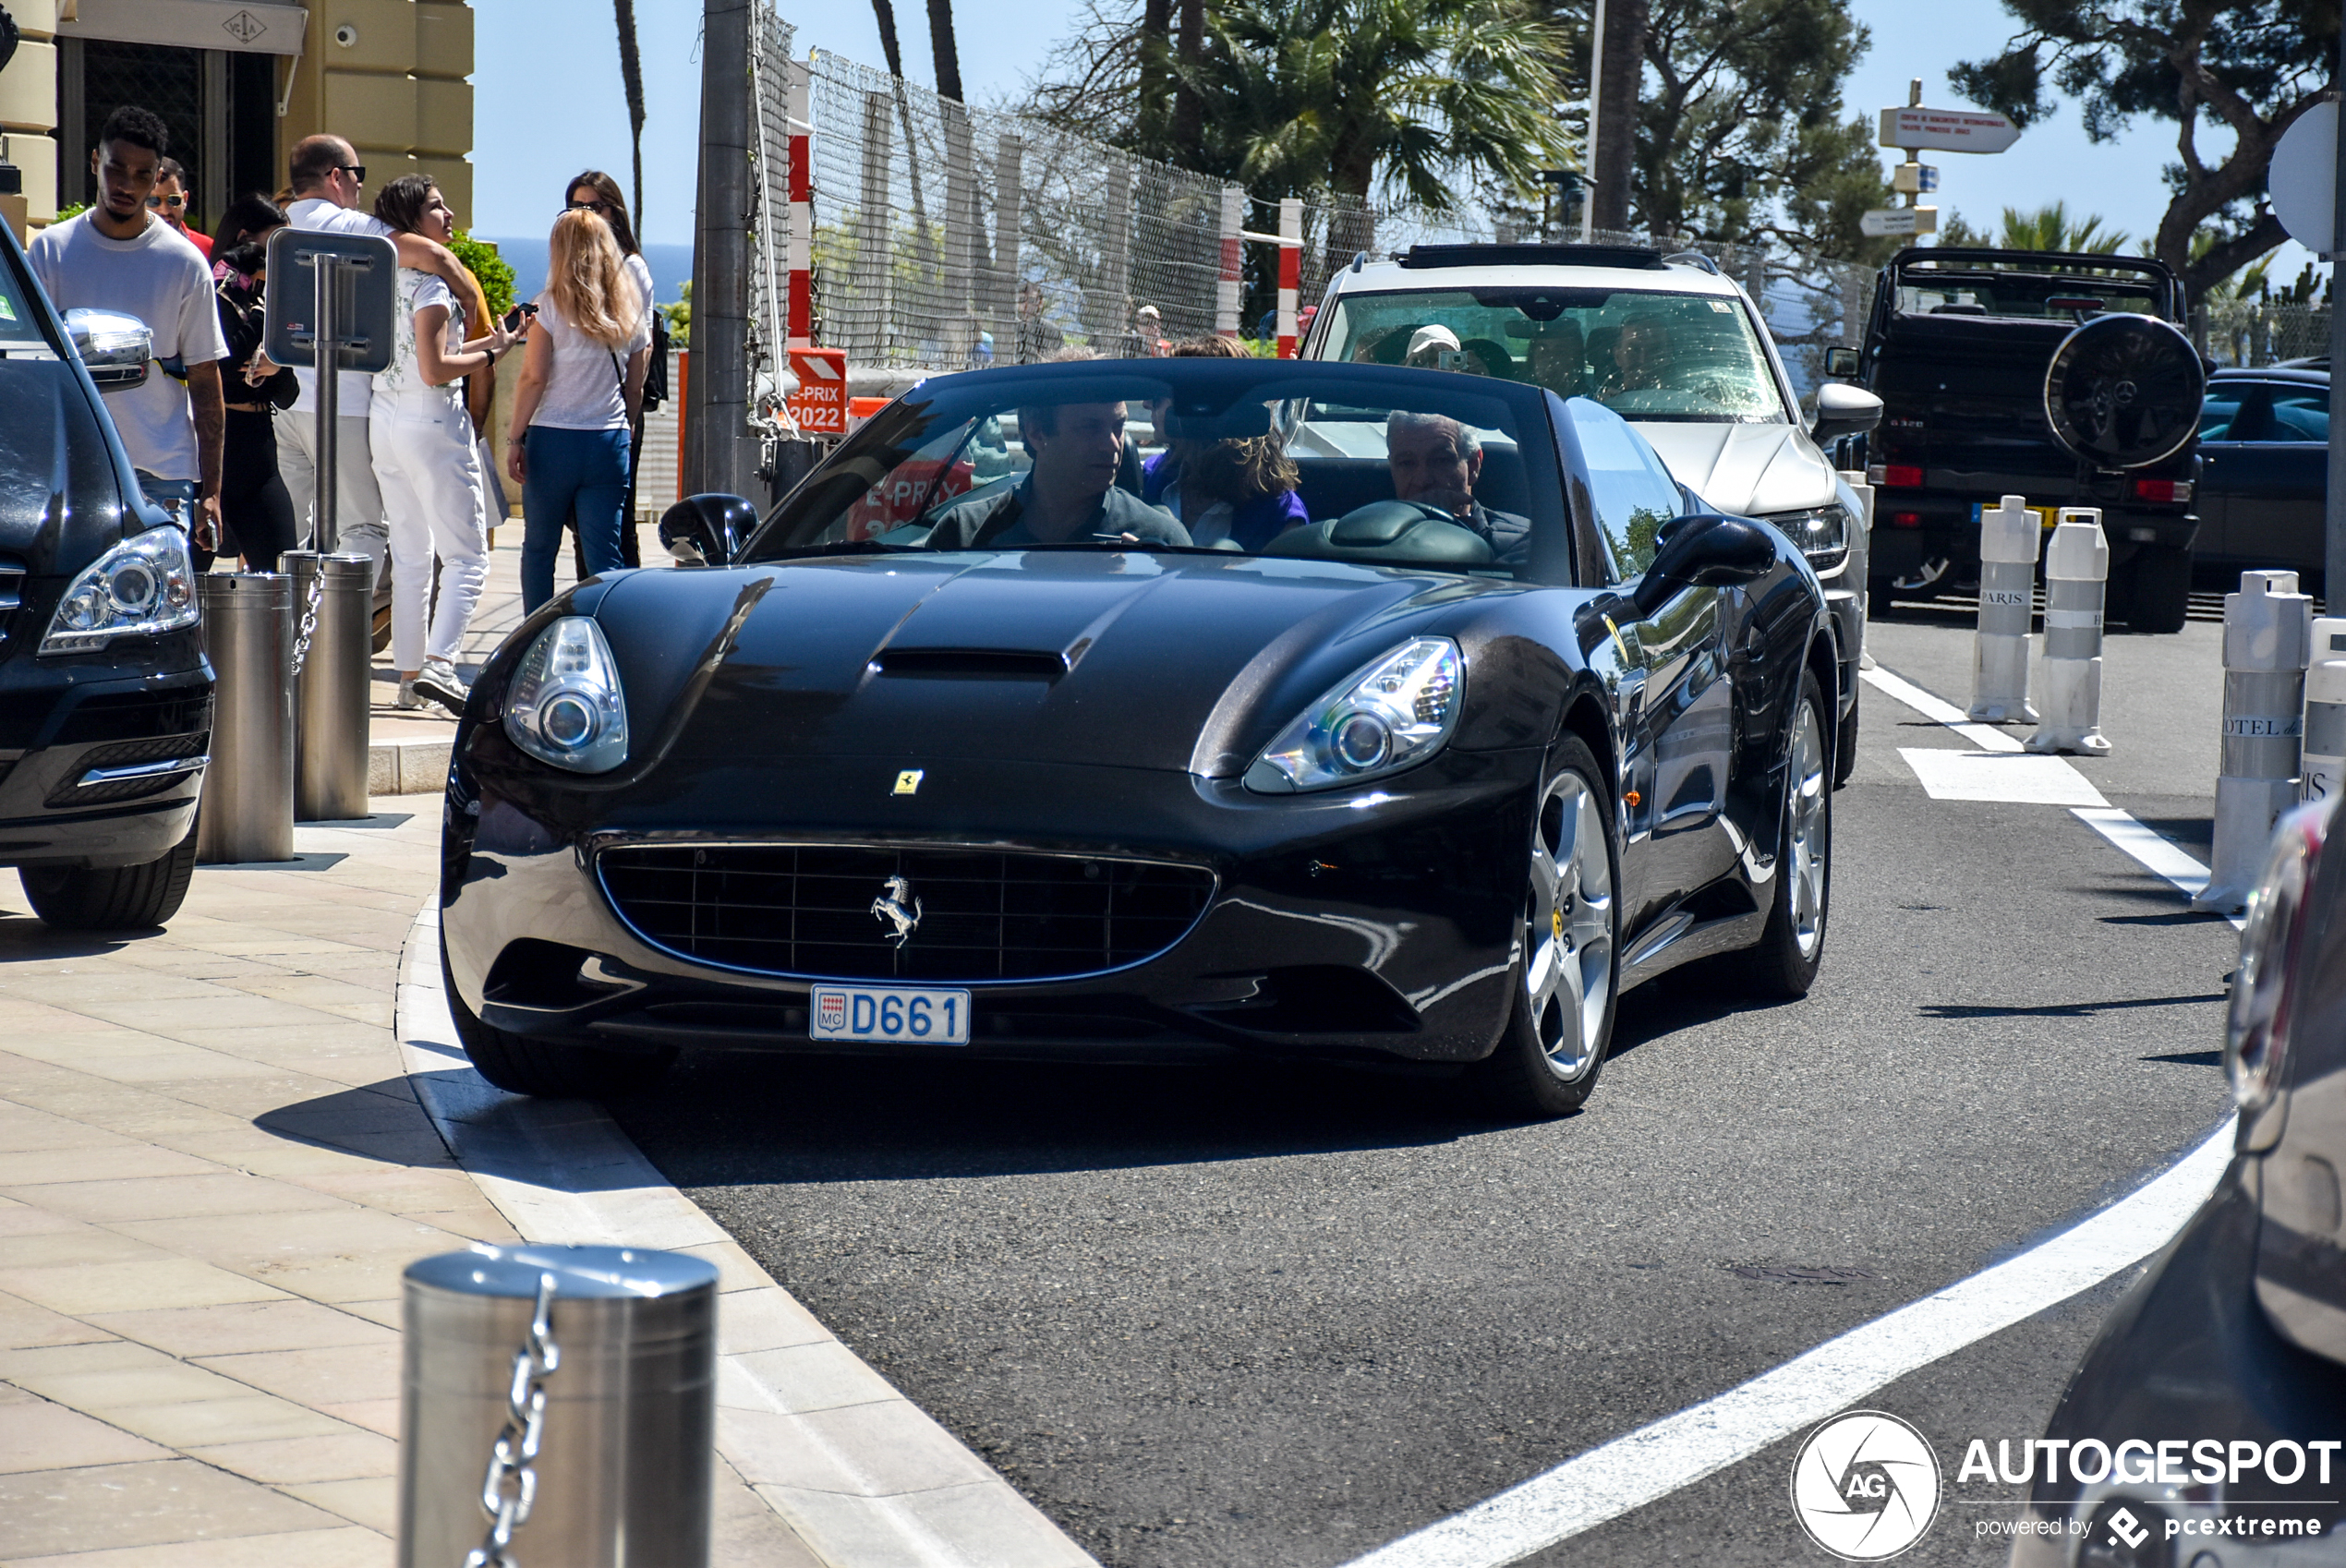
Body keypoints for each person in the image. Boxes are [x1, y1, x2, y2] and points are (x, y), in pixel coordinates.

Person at [276, 133, 485, 585]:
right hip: (341, 405)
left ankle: (296, 643)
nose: (357, 188)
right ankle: (337, 648)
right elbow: (429, 254)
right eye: (356, 175)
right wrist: (469, 295)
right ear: (336, 177)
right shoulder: (350, 226)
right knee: (363, 529)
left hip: (286, 405)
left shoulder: (279, 225)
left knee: (300, 536)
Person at [29, 106, 227, 549]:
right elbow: (30, 371)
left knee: (159, 614)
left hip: (162, 473)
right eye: (117, 168)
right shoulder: (50, 252)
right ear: (96, 162)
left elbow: (204, 375)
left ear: (157, 177)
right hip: (70, 471)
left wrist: (211, 491)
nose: (126, 185)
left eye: (142, 175)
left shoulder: (184, 263)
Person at [369, 175, 514, 712]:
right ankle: (440, 665)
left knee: (410, 555)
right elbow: (434, 370)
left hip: (383, 421)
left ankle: (410, 677)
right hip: (431, 422)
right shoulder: (430, 286)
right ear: (413, 220)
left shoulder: (379, 279)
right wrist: (492, 354)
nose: (448, 213)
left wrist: (486, 345)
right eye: (436, 206)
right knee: (468, 557)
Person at [506, 208, 649, 612]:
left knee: (540, 547)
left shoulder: (548, 307)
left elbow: (533, 378)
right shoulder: (629, 310)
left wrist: (515, 438)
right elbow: (634, 387)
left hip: (553, 440)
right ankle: (607, 633)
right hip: (609, 439)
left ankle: (534, 636)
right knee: (604, 553)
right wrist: (627, 426)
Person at [925, 400, 1188, 549]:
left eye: (1118, 426)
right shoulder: (964, 532)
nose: (1112, 445)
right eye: (1090, 427)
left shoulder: (1160, 540)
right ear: (1036, 433)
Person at [562, 171, 655, 570]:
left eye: (594, 206)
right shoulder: (576, 268)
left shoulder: (629, 268)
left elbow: (642, 348)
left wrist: (629, 416)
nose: (586, 215)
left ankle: (622, 608)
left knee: (616, 522)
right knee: (584, 523)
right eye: (576, 207)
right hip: (583, 414)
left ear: (613, 212)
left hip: (616, 412)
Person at [1141, 336, 1306, 549]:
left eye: (1159, 396)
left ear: (1201, 407)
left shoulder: (1279, 511)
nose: (1146, 404)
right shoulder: (1149, 477)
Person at [210, 199, 301, 572]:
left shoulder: (265, 298)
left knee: (283, 573)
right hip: (214, 449)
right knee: (189, 581)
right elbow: (226, 364)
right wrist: (264, 318)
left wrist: (276, 368)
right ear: (245, 240)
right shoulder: (214, 289)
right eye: (273, 247)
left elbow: (288, 394)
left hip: (259, 448)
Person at [1385, 411, 1529, 565]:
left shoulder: (1523, 542)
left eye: (1440, 460)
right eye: (1406, 463)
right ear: (1392, 468)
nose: (1423, 480)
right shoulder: (1365, 537)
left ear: (1473, 465)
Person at [1601, 310, 1672, 397]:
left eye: (1654, 350)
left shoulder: (1688, 404)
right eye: (1634, 349)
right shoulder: (1595, 406)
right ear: (1618, 356)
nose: (1643, 359)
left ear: (1668, 356)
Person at [149, 158, 210, 259]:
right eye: (153, 201)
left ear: (185, 199)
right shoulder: (122, 248)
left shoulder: (207, 249)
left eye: (173, 200)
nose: (164, 210)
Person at [1013, 281, 1063, 364]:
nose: (1026, 305)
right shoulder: (1010, 327)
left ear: (1040, 303)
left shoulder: (1052, 331)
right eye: (1022, 300)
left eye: (1031, 301)